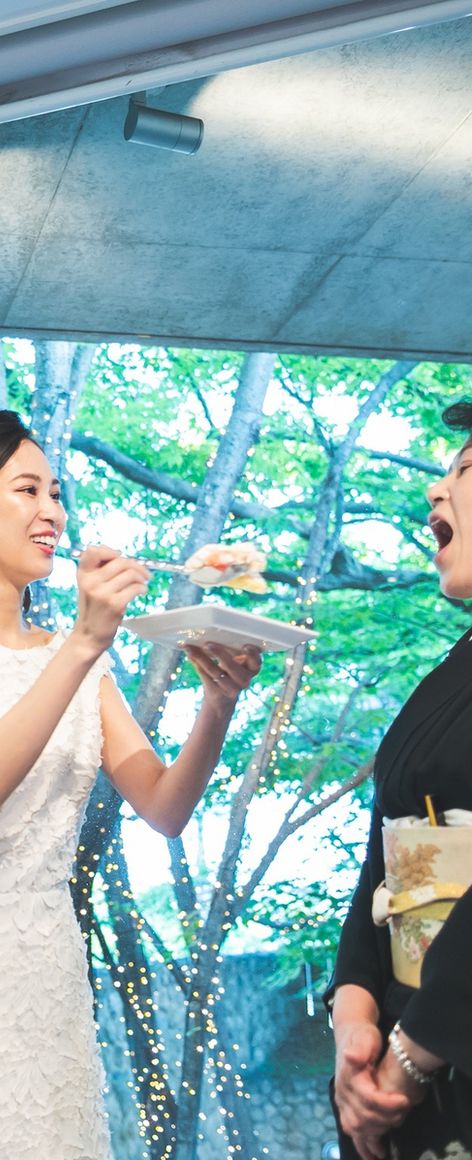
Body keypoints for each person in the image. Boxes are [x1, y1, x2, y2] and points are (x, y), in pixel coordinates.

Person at [0, 411, 261, 1160]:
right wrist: (84, 641)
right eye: (28, 490)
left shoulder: (76, 660)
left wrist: (218, 704)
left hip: (48, 988)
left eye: (56, 493)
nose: (53, 513)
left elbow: (165, 807)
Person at [328, 401, 472, 1160]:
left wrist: (411, 1056)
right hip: (399, 1030)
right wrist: (353, 1014)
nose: (434, 490)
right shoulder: (454, 664)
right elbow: (385, 857)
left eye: (467, 471)